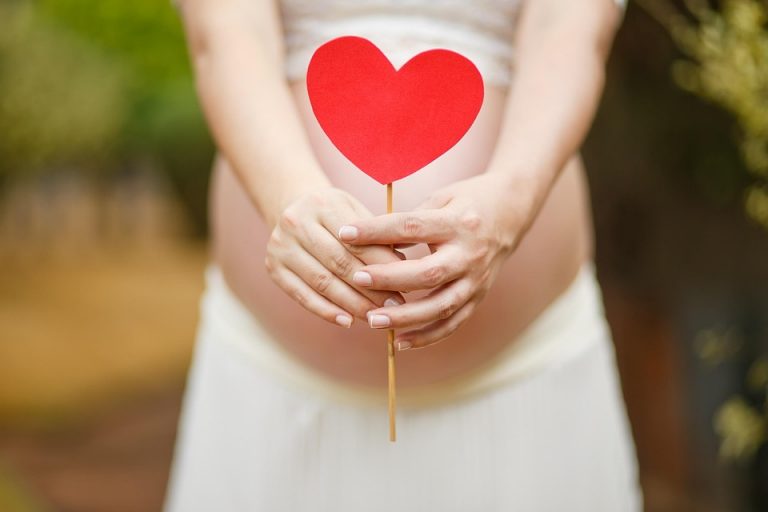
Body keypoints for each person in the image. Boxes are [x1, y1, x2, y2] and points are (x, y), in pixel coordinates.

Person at [165, 0, 642, 510]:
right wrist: (287, 194)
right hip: (272, 382)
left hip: (527, 378)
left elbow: (569, 34)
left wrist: (513, 197)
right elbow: (226, 36)